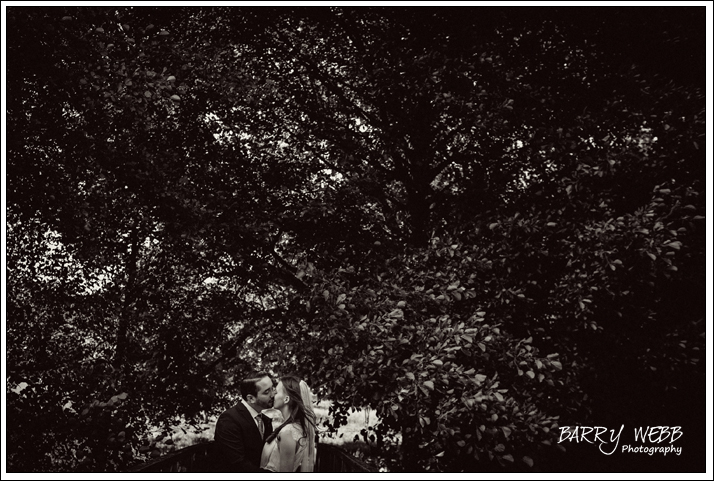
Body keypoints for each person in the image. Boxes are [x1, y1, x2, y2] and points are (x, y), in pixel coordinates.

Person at [213, 371, 276, 472]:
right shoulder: (229, 420)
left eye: (272, 388)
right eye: (267, 392)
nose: (273, 394)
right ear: (251, 398)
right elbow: (237, 464)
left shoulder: (265, 420)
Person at [260, 375, 317, 472]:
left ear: (286, 399)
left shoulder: (288, 432)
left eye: (276, 392)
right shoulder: (292, 428)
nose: (272, 394)